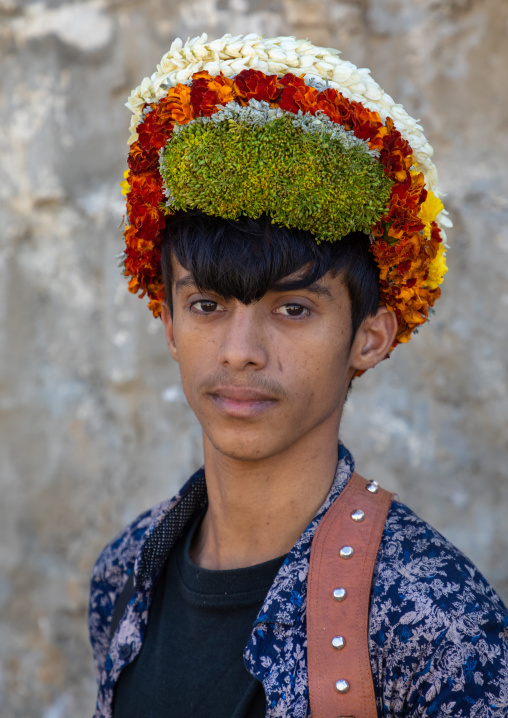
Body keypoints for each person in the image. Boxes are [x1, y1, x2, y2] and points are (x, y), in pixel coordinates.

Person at [88, 34, 508, 718]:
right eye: (206, 305)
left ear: (369, 338)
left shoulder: (436, 621)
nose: (240, 351)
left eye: (293, 308)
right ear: (168, 324)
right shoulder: (128, 570)